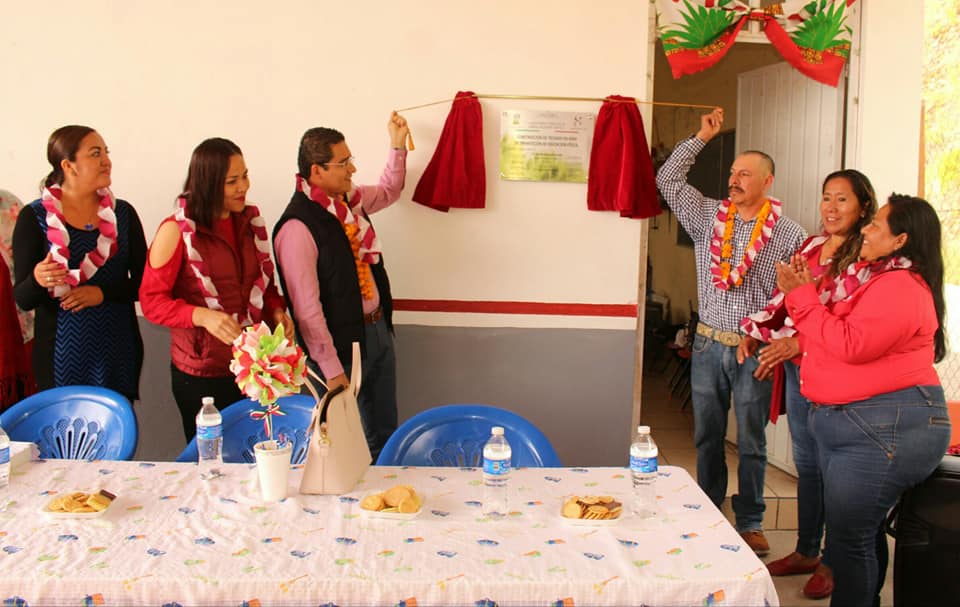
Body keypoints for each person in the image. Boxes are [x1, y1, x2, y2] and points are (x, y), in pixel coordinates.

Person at [777, 194, 951, 607]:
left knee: (847, 540)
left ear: (900, 240)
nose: (867, 228)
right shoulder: (871, 279)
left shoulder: (901, 287)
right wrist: (804, 295)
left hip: (883, 428)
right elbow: (829, 331)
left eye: (878, 224)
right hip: (860, 427)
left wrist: (802, 297)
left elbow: (851, 344)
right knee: (859, 533)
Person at [656, 108, 806, 554]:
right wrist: (701, 138)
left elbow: (796, 298)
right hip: (707, 344)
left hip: (753, 350)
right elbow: (668, 180)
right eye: (733, 172)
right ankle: (706, 509)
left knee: (753, 440)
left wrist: (773, 336)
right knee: (706, 434)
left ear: (767, 182)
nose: (735, 180)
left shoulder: (788, 234)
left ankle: (751, 521)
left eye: (746, 174)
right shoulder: (706, 216)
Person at [740, 169, 879, 599]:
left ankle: (836, 561)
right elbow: (787, 298)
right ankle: (806, 550)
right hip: (803, 371)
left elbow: (846, 321)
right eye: (826, 198)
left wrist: (795, 344)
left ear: (863, 207)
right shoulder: (813, 245)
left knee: (838, 471)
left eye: (842, 200)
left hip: (838, 376)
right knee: (810, 466)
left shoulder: (867, 256)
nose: (831, 208)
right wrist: (759, 332)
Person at [273, 112, 409, 461]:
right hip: (337, 350)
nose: (352, 170)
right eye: (343, 162)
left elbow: (391, 189)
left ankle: (384, 504)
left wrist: (397, 144)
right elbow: (307, 311)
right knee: (344, 445)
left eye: (351, 160)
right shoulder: (297, 227)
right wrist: (332, 371)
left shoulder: (349, 201)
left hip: (376, 331)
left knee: (384, 433)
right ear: (317, 171)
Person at [140, 138, 292, 440]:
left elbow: (263, 284)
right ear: (208, 183)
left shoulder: (250, 224)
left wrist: (276, 311)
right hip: (201, 372)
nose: (243, 187)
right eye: (232, 181)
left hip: (252, 365)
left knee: (256, 452)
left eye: (245, 176)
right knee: (213, 461)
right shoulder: (175, 230)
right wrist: (201, 316)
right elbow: (151, 302)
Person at [12, 126, 145, 403]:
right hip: (61, 356)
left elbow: (145, 285)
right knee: (67, 441)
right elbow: (23, 298)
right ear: (68, 165)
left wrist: (102, 294)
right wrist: (38, 278)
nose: (106, 160)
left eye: (106, 152)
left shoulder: (123, 214)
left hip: (117, 350)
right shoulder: (34, 217)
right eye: (95, 154)